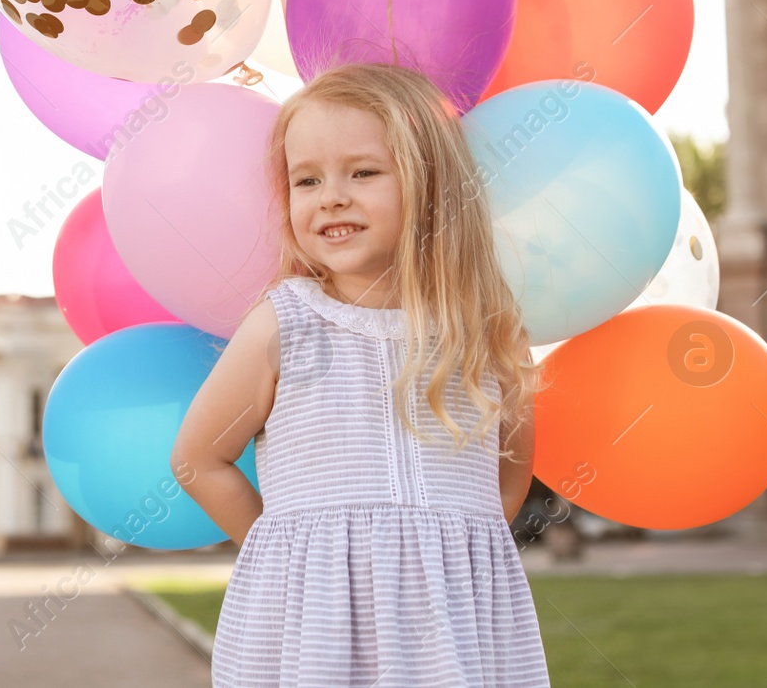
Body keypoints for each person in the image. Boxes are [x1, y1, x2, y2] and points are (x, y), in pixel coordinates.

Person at [171, 62, 550, 687]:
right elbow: (198, 458)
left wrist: (453, 552)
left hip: (455, 632)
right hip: (315, 632)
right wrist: (279, 552)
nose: (332, 197)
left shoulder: (485, 332)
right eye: (306, 180)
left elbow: (506, 479)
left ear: (430, 184)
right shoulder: (284, 325)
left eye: (364, 172)